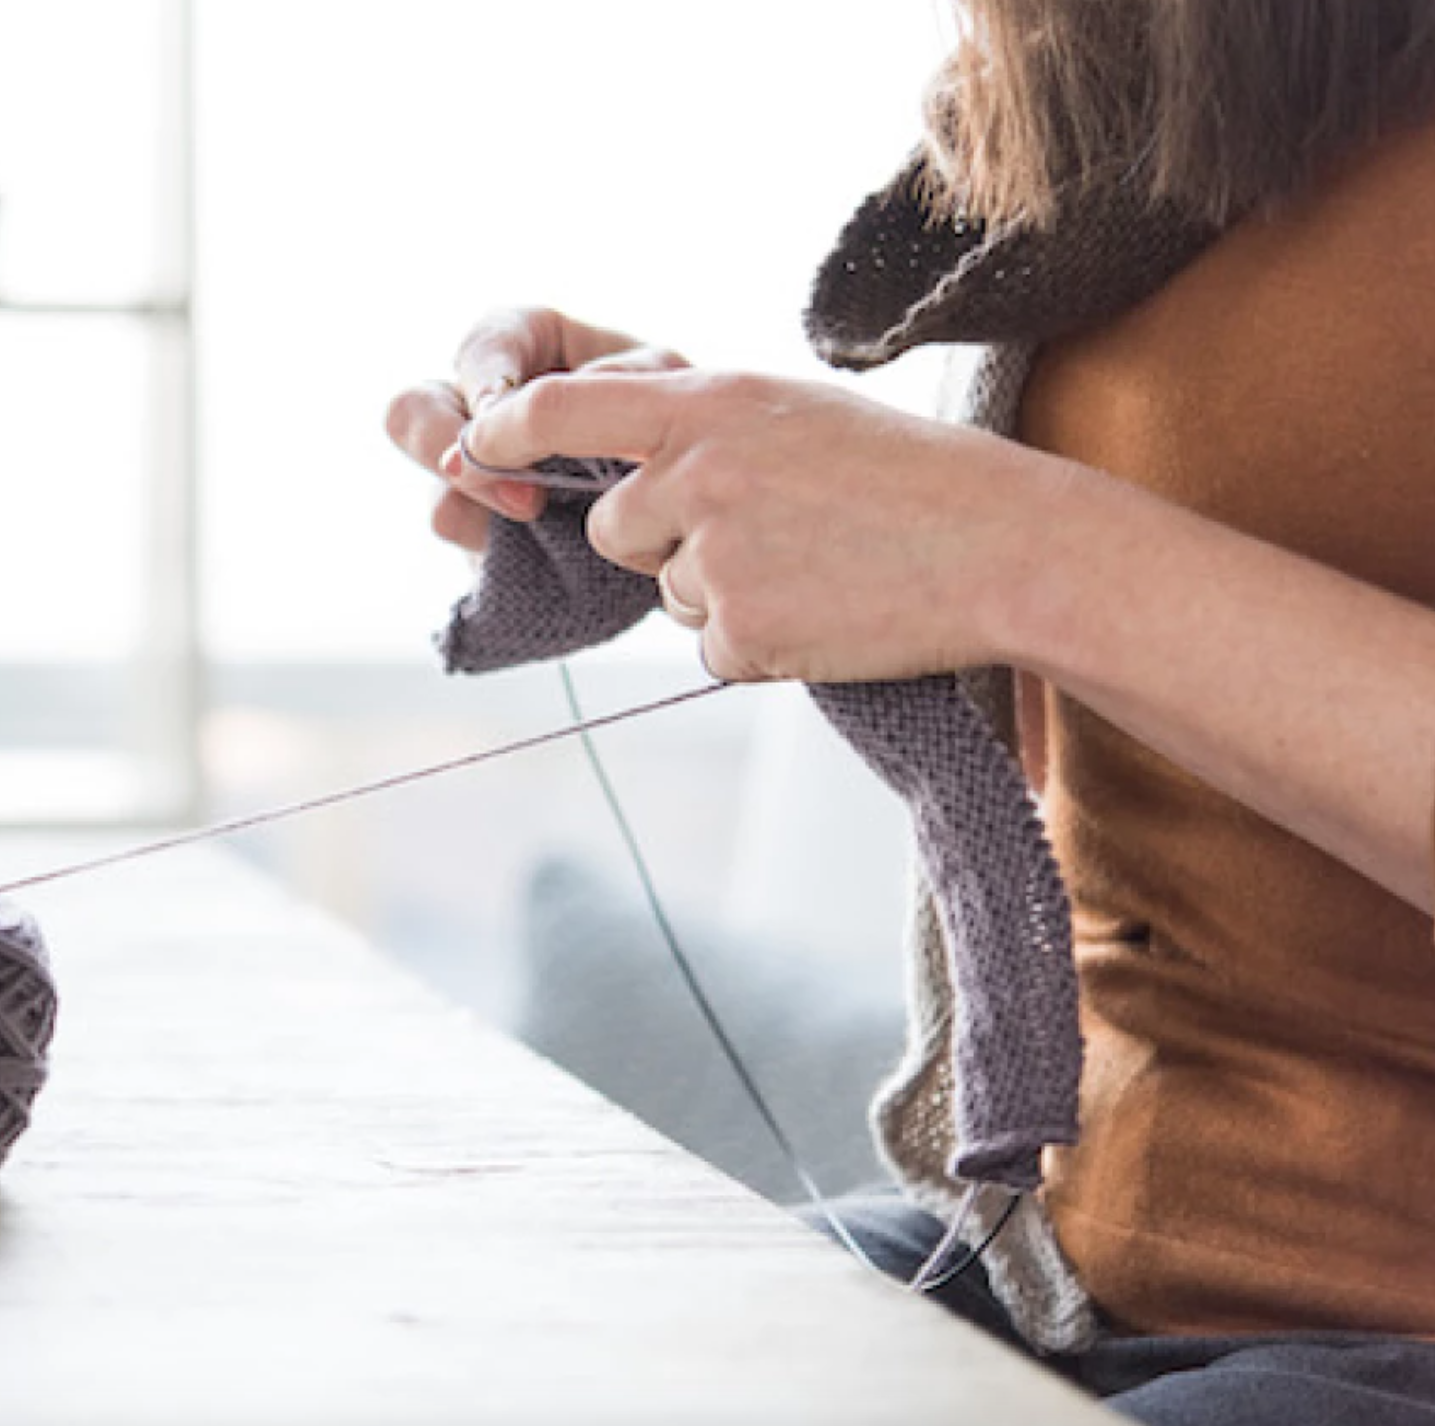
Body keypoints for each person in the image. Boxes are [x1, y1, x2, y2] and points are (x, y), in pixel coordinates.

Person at [385, 3, 1435, 1423]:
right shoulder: (1177, 88)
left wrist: (1003, 544)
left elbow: (1058, 556)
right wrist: (698, 483)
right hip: (1054, 1267)